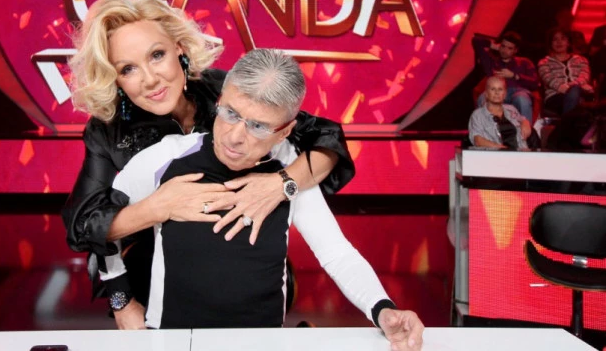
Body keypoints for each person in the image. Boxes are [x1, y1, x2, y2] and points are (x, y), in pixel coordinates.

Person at [62, 0, 354, 328]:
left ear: (178, 47)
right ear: (115, 78)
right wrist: (123, 300)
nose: (150, 79)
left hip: (245, 263)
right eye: (128, 69)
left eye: (156, 55)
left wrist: (281, 184)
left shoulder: (225, 90)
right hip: (150, 276)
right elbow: (86, 226)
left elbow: (325, 140)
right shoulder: (106, 129)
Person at [103, 49, 424, 348]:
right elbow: (98, 224)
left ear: (284, 131)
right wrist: (121, 301)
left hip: (264, 343)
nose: (235, 136)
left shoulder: (292, 170)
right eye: (230, 113)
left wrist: (382, 309)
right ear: (220, 99)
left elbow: (336, 253)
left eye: (258, 126)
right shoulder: (166, 157)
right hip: (172, 341)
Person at [472, 31, 538, 122]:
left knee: (522, 99)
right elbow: (476, 40)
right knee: (483, 98)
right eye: (503, 46)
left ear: (515, 50)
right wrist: (494, 46)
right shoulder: (491, 62)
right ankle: (487, 130)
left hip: (518, 91)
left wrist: (515, 76)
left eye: (509, 48)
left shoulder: (524, 62)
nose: (505, 50)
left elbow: (535, 83)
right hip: (496, 92)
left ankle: (526, 130)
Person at [538, 27, 593, 116]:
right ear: (550, 43)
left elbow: (584, 77)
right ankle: (568, 122)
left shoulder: (581, 60)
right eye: (555, 39)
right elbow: (550, 81)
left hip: (581, 93)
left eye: (563, 39)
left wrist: (575, 89)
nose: (559, 42)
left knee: (578, 93)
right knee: (575, 94)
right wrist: (572, 89)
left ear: (568, 42)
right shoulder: (544, 62)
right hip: (556, 96)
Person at [469, 76, 532, 149]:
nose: (497, 93)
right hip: (495, 154)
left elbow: (523, 120)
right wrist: (501, 149)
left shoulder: (511, 109)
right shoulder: (477, 115)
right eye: (493, 89)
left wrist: (525, 122)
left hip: (520, 152)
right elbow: (477, 140)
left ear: (505, 94)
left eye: (500, 89)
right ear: (486, 93)